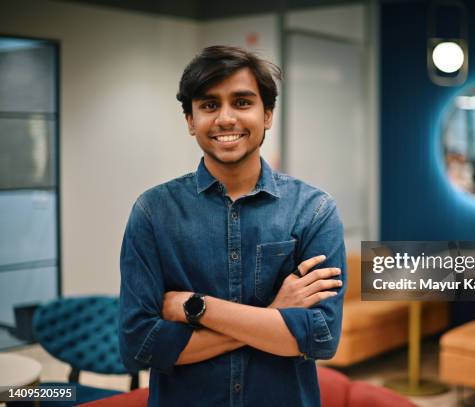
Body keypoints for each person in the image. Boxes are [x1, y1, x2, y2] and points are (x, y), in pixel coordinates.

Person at [119, 46, 346, 407]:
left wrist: (195, 308)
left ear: (268, 113)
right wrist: (274, 315)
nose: (226, 118)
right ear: (190, 120)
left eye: (242, 102)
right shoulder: (153, 213)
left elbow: (320, 339)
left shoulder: (314, 211)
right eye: (209, 105)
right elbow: (140, 346)